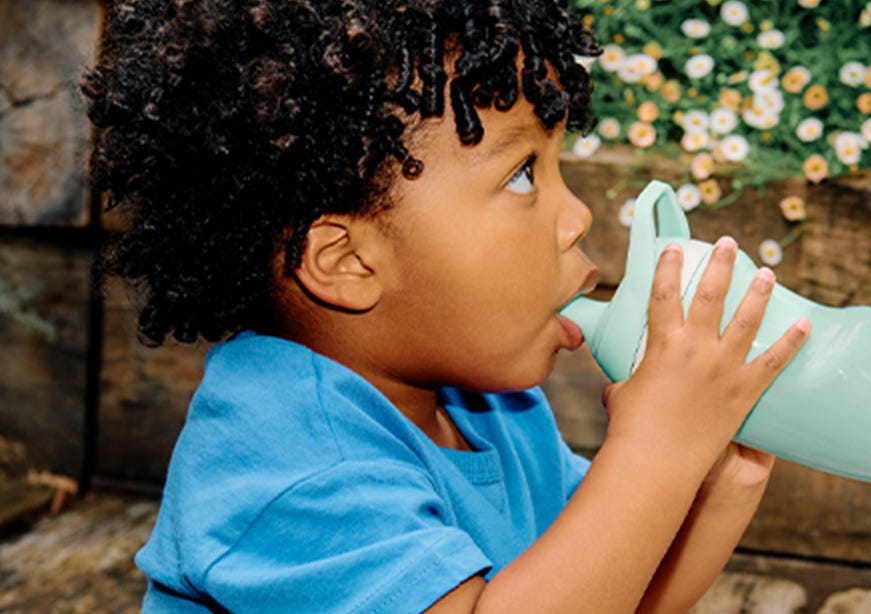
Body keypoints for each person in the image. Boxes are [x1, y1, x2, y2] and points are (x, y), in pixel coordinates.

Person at [83, 1, 810, 611]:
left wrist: (716, 477)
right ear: (348, 260)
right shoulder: (288, 459)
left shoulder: (493, 410)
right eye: (524, 175)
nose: (578, 216)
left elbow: (618, 593)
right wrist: (656, 451)